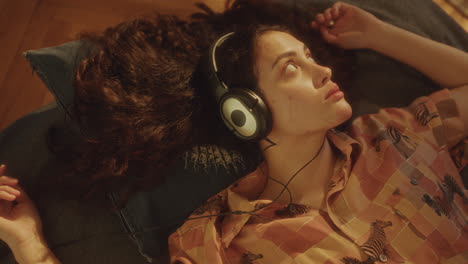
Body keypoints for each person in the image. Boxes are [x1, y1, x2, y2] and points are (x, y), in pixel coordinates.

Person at [0, 1, 467, 264]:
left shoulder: (391, 134)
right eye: (292, 67)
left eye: (311, 56)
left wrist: (379, 35)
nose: (321, 69)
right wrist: (28, 245)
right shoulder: (216, 242)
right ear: (245, 111)